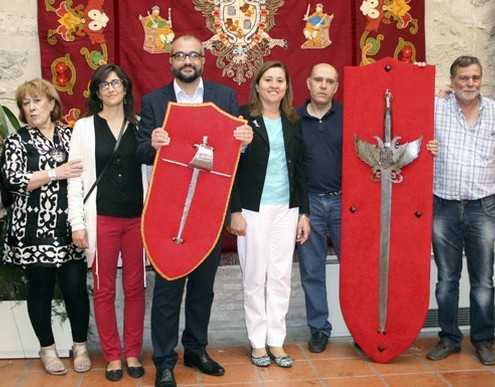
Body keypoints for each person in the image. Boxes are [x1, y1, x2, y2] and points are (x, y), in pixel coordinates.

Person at [136, 34, 253, 387]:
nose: (187, 61)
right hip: (168, 209)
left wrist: (245, 143)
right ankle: (164, 360)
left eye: (193, 55)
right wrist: (151, 143)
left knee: (203, 288)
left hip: (211, 208)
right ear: (170, 61)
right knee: (168, 289)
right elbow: (140, 150)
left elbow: (234, 156)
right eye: (180, 55)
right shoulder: (155, 101)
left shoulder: (224, 96)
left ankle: (196, 349)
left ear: (203, 60)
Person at [1, 78, 90, 375]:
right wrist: (55, 173)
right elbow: (13, 182)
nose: (31, 108)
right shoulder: (17, 141)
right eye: (26, 103)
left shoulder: (71, 136)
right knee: (40, 290)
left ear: (52, 104)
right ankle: (47, 349)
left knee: (75, 288)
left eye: (37, 101)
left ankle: (79, 346)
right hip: (32, 229)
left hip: (70, 227)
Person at [67, 64, 147, 381]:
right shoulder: (83, 128)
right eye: (104, 84)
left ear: (126, 88)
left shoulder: (140, 126)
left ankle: (132, 353)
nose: (111, 88)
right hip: (101, 220)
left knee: (135, 288)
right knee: (103, 290)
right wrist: (77, 223)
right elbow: (74, 180)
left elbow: (153, 176)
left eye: (116, 83)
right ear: (97, 92)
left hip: (136, 220)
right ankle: (113, 356)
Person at [229, 60, 310, 368]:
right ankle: (257, 343)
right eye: (268, 80)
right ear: (258, 85)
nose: (274, 85)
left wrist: (304, 213)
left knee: (280, 277)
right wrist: (234, 210)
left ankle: (276, 341)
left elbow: (301, 169)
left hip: (286, 210)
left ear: (287, 87)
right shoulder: (243, 117)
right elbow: (231, 168)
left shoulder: (293, 120)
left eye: (280, 80)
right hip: (253, 209)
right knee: (254, 277)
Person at [426, 55, 495, 366]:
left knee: (483, 281)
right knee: (446, 279)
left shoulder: (494, 112)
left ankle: (483, 340)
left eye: (475, 78)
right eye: (464, 78)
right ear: (452, 82)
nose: (470, 83)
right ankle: (449, 338)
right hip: (445, 206)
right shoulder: (436, 107)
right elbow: (400, 99)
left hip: (484, 206)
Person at [295, 63, 342, 353]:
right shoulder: (293, 118)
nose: (323, 85)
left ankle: (360, 326)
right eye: (319, 80)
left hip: (345, 202)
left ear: (336, 87)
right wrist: (301, 210)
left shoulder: (349, 115)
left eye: (330, 81)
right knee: (312, 270)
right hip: (308, 202)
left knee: (356, 269)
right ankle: (319, 329)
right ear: (309, 83)